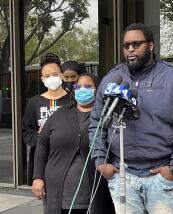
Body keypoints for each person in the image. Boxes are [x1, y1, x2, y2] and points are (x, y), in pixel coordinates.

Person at [89, 23, 173, 213]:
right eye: (126, 46)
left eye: (136, 44)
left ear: (150, 46)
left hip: (161, 176)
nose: (130, 49)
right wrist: (100, 162)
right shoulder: (112, 79)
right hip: (122, 174)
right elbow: (97, 124)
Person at [32, 73, 115, 214]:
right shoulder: (59, 115)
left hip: (93, 195)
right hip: (58, 194)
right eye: (78, 86)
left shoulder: (106, 117)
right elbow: (41, 145)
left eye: (88, 86)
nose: (82, 89)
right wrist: (38, 177)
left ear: (97, 90)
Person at [22, 53, 69, 186]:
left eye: (55, 74)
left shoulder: (72, 100)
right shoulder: (35, 102)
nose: (51, 78)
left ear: (61, 75)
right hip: (43, 160)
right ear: (42, 79)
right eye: (47, 76)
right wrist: (40, 137)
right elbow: (26, 130)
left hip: (67, 158)